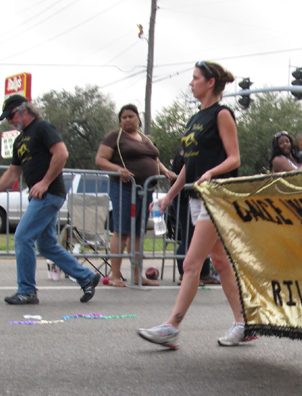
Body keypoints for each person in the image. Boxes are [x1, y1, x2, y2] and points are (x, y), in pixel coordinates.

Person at [137, 60, 247, 348]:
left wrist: (211, 173)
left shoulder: (222, 114)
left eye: (195, 78)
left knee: (191, 262)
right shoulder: (195, 118)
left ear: (210, 83)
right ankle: (244, 322)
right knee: (220, 262)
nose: (191, 83)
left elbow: (234, 158)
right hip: (197, 197)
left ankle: (172, 327)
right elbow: (188, 164)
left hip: (216, 196)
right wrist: (169, 195)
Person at [0, 95, 100, 305]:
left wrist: (45, 182)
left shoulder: (42, 127)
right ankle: (86, 276)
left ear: (23, 110)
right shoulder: (20, 139)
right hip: (39, 196)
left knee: (22, 237)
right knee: (46, 245)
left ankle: (27, 290)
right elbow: (13, 172)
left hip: (49, 193)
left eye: (10, 116)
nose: (10, 121)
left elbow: (61, 153)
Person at [95, 103, 176, 287]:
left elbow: (153, 158)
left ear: (138, 118)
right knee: (121, 231)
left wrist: (165, 171)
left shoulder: (144, 138)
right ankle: (115, 276)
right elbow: (100, 159)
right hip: (124, 188)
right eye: (123, 117)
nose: (127, 120)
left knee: (138, 233)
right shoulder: (115, 137)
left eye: (131, 116)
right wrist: (118, 169)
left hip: (145, 189)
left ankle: (138, 275)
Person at [166, 147, 219, 285]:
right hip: (185, 197)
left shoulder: (200, 151)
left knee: (205, 238)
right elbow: (186, 172)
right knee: (189, 235)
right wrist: (168, 197)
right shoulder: (188, 153)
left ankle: (205, 273)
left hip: (197, 196)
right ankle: (185, 274)